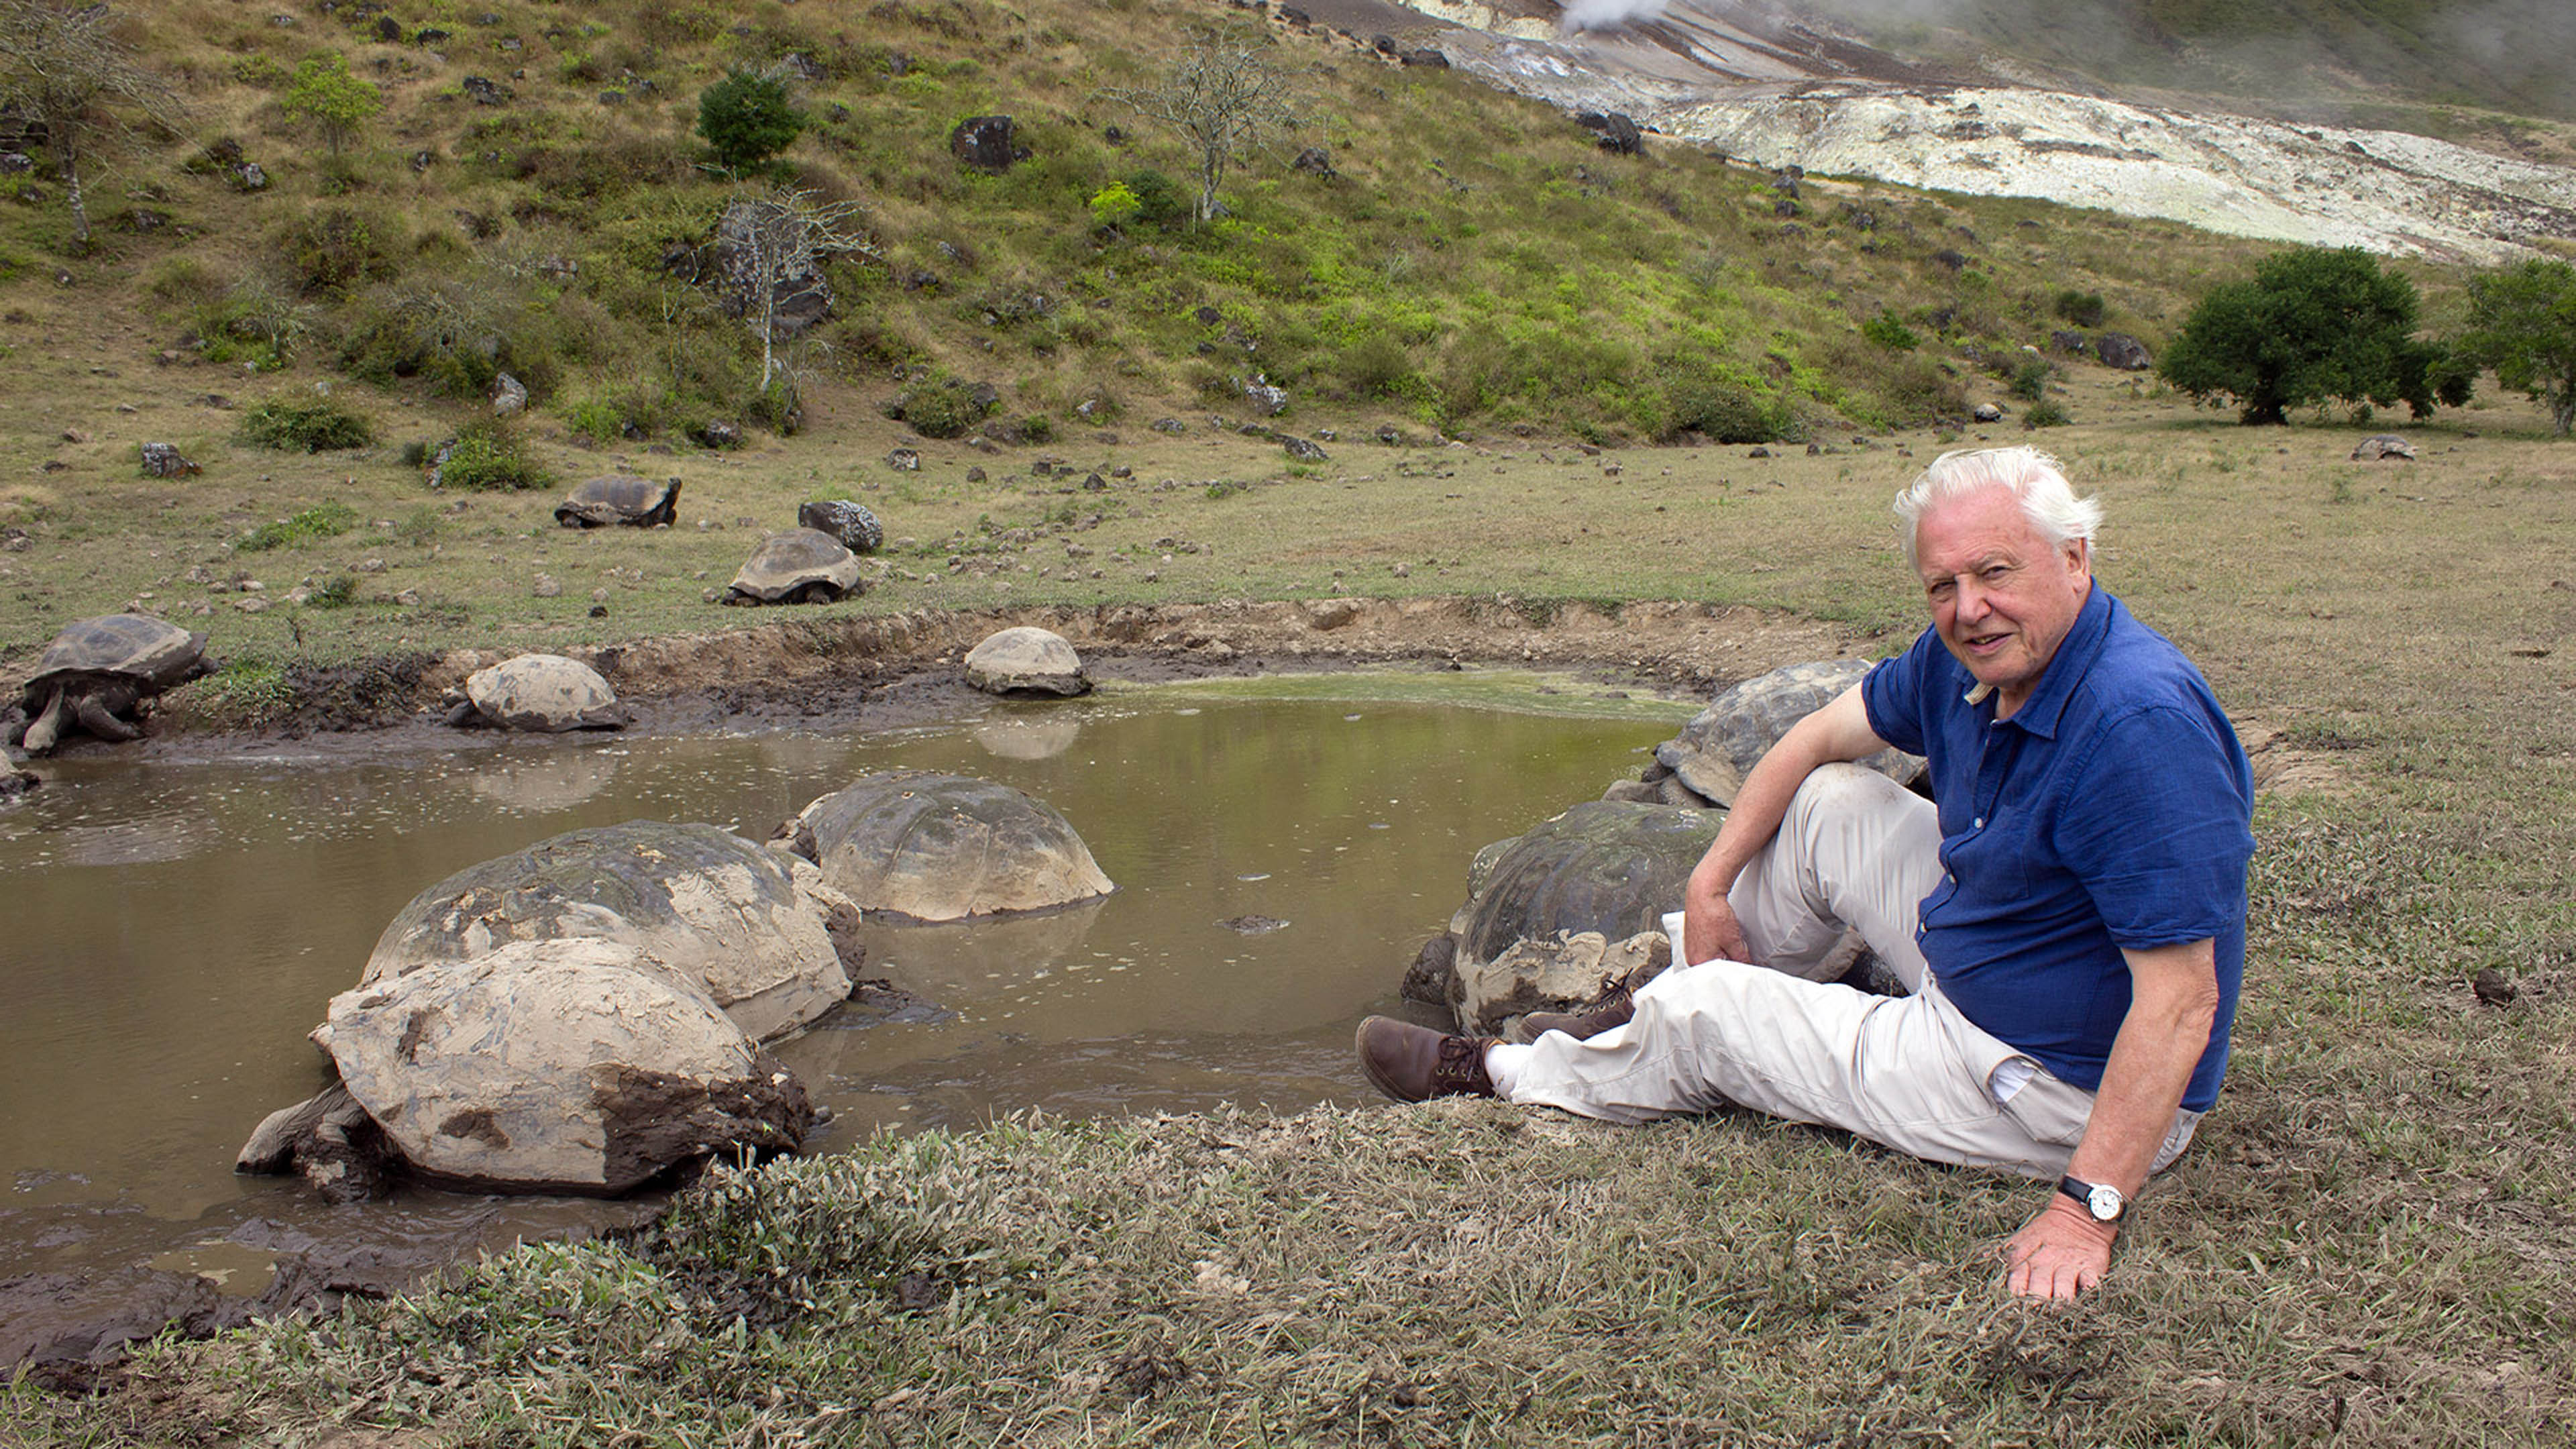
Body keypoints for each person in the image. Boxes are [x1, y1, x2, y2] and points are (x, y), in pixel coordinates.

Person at [1354, 446, 2255, 1301]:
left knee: (1714, 1016)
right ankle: (1646, 1004)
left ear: (2074, 558)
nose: (1969, 608)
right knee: (1831, 799)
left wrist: (2085, 1213)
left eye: (1996, 573)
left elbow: (2182, 1000)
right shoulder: (1970, 662)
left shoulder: (2140, 727)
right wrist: (1708, 885)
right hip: (1997, 951)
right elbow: (1820, 735)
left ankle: (1509, 1072)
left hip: (2047, 1079)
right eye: (1944, 584)